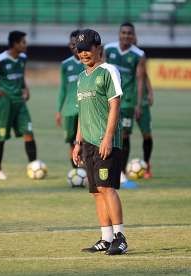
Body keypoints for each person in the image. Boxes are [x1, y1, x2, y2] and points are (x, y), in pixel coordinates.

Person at [72, 29, 127, 255]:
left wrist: (107, 138)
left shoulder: (108, 71)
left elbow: (115, 105)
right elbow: (82, 113)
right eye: (80, 50)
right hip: (88, 144)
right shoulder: (81, 77)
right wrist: (77, 143)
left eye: (88, 49)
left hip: (107, 141)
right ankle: (105, 238)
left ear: (98, 47)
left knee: (107, 188)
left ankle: (120, 238)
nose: (84, 53)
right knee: (96, 191)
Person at [0, 30, 37, 180]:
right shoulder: (0, 59)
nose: (25, 45)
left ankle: (33, 166)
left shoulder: (23, 58)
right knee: (1, 136)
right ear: (15, 44)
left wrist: (26, 89)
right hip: (5, 102)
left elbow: (21, 76)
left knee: (28, 132)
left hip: (20, 102)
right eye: (23, 42)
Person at [103, 22, 146, 183]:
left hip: (127, 101)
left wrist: (138, 103)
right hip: (109, 99)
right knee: (107, 133)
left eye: (129, 33)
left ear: (133, 36)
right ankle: (105, 167)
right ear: (119, 34)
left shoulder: (139, 54)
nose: (126, 35)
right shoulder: (109, 49)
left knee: (124, 136)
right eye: (124, 33)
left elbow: (140, 80)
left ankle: (120, 172)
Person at [56, 30, 85, 169]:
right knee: (71, 142)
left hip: (85, 109)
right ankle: (76, 171)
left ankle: (86, 170)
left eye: (78, 44)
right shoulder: (65, 64)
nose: (75, 47)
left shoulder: (89, 62)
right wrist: (58, 111)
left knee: (84, 142)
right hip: (68, 110)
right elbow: (62, 89)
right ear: (69, 45)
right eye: (73, 44)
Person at [133, 35, 154, 178]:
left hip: (142, 100)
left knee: (146, 134)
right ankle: (120, 168)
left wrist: (151, 92)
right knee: (123, 136)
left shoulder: (139, 56)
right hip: (126, 98)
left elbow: (144, 75)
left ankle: (146, 164)